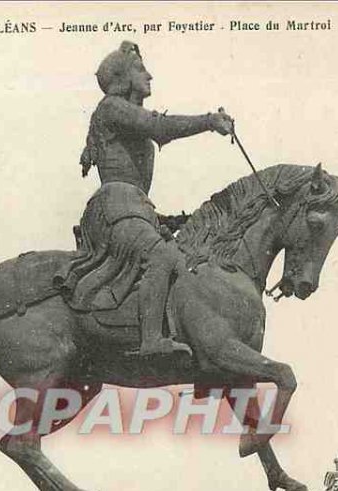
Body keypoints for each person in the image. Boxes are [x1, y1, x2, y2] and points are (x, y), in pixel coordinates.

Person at [59, 41, 234, 356]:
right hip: (115, 207)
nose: (149, 75)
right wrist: (209, 121)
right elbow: (159, 126)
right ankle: (151, 340)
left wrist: (169, 220)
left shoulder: (123, 112)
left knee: (181, 260)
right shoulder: (111, 107)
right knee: (161, 257)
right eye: (140, 69)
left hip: (133, 209)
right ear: (122, 77)